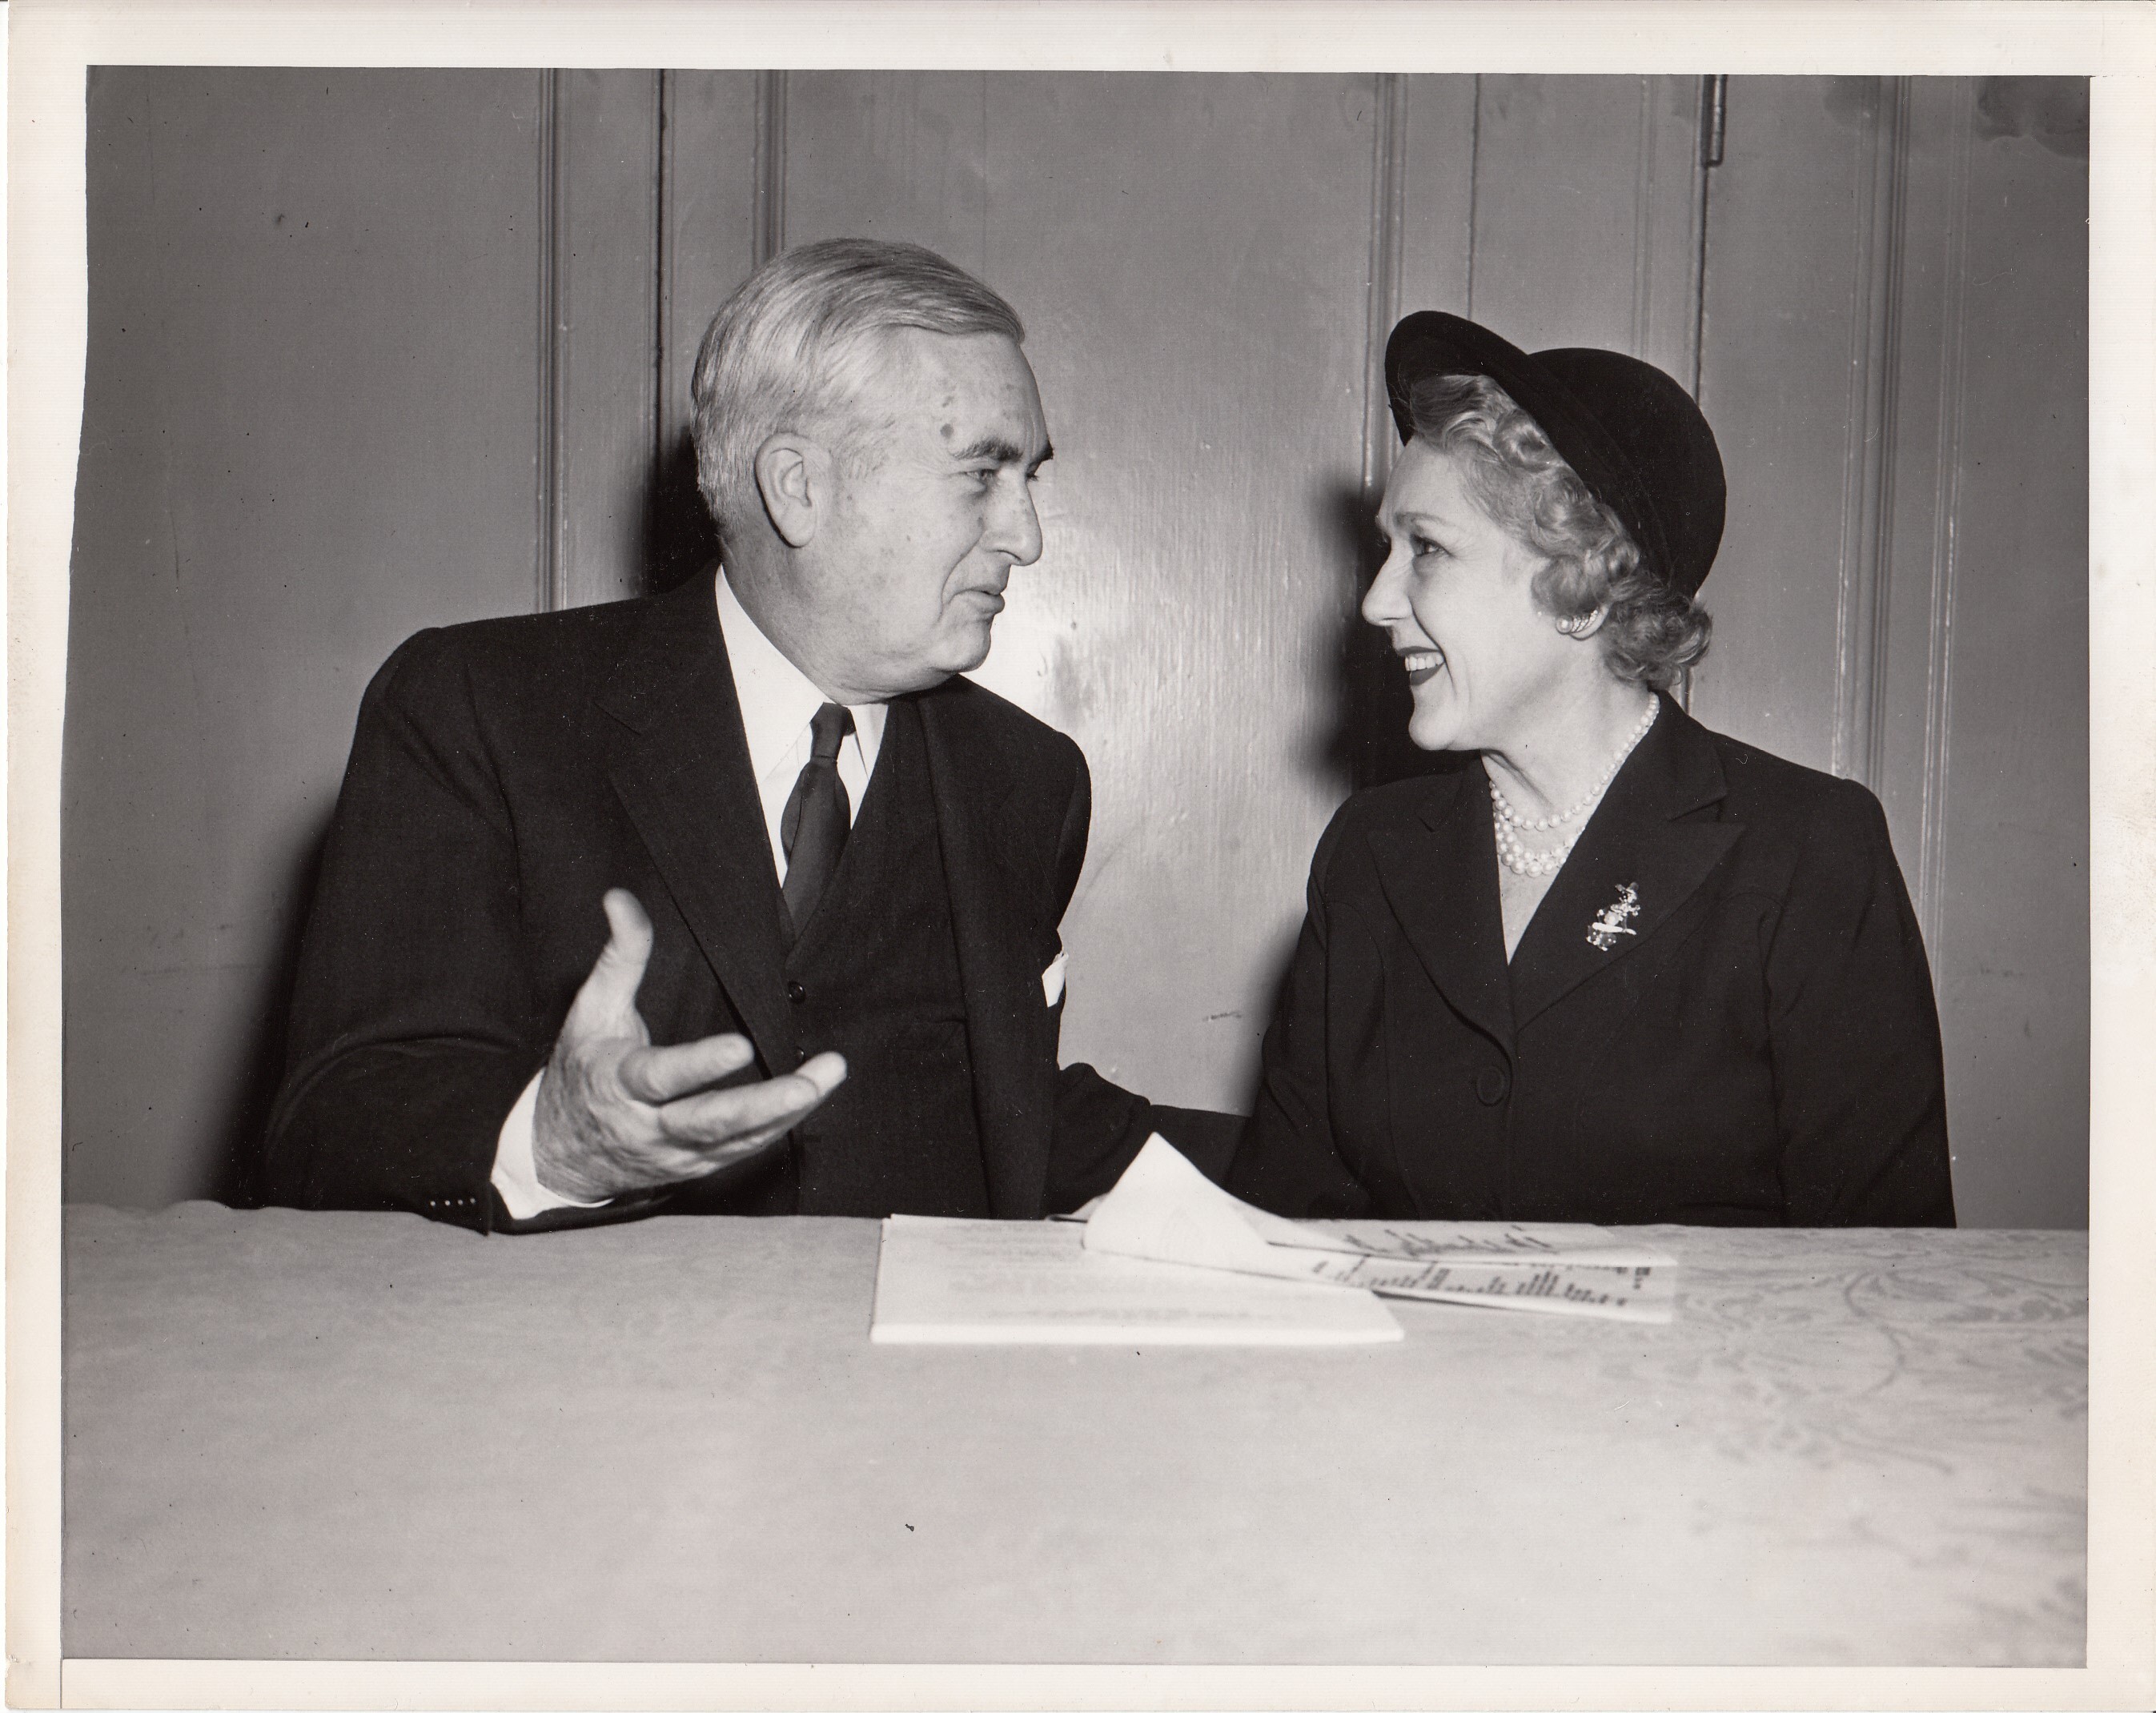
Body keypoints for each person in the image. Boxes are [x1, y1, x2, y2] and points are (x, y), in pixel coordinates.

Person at [262, 239, 1231, 1232]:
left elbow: (996, 1121)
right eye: (981, 474)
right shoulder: (477, 708)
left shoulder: (1029, 781)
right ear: (796, 487)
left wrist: (1360, 1172)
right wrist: (549, 1141)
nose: (1025, 534)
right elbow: (333, 1120)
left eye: (1029, 477)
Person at [1228, 311, 1955, 1227]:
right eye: (1385, 550)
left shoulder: (1806, 852)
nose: (1376, 600)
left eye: (1426, 549)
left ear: (1578, 587)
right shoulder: (1368, 856)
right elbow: (1288, 1220)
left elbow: (1882, 1280)